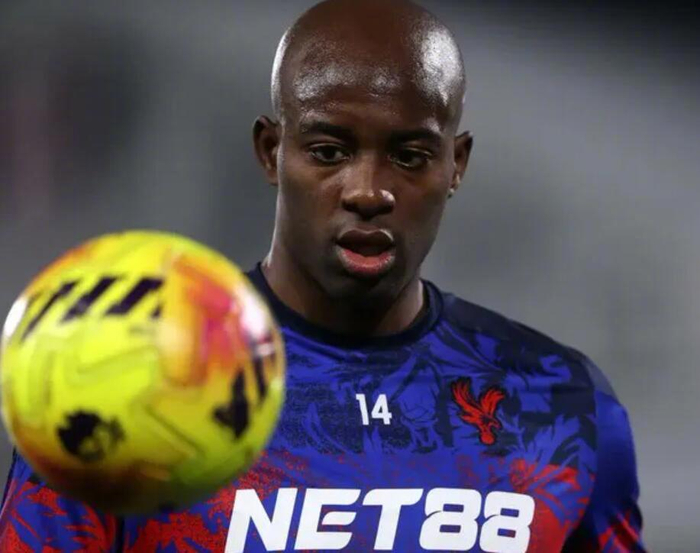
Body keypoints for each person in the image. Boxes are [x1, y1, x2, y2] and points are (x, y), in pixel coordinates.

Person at [0, 0, 645, 551]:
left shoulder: (562, 404)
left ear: (457, 165)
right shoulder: (112, 385)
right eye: (329, 151)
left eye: (410, 156)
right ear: (271, 152)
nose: (368, 191)